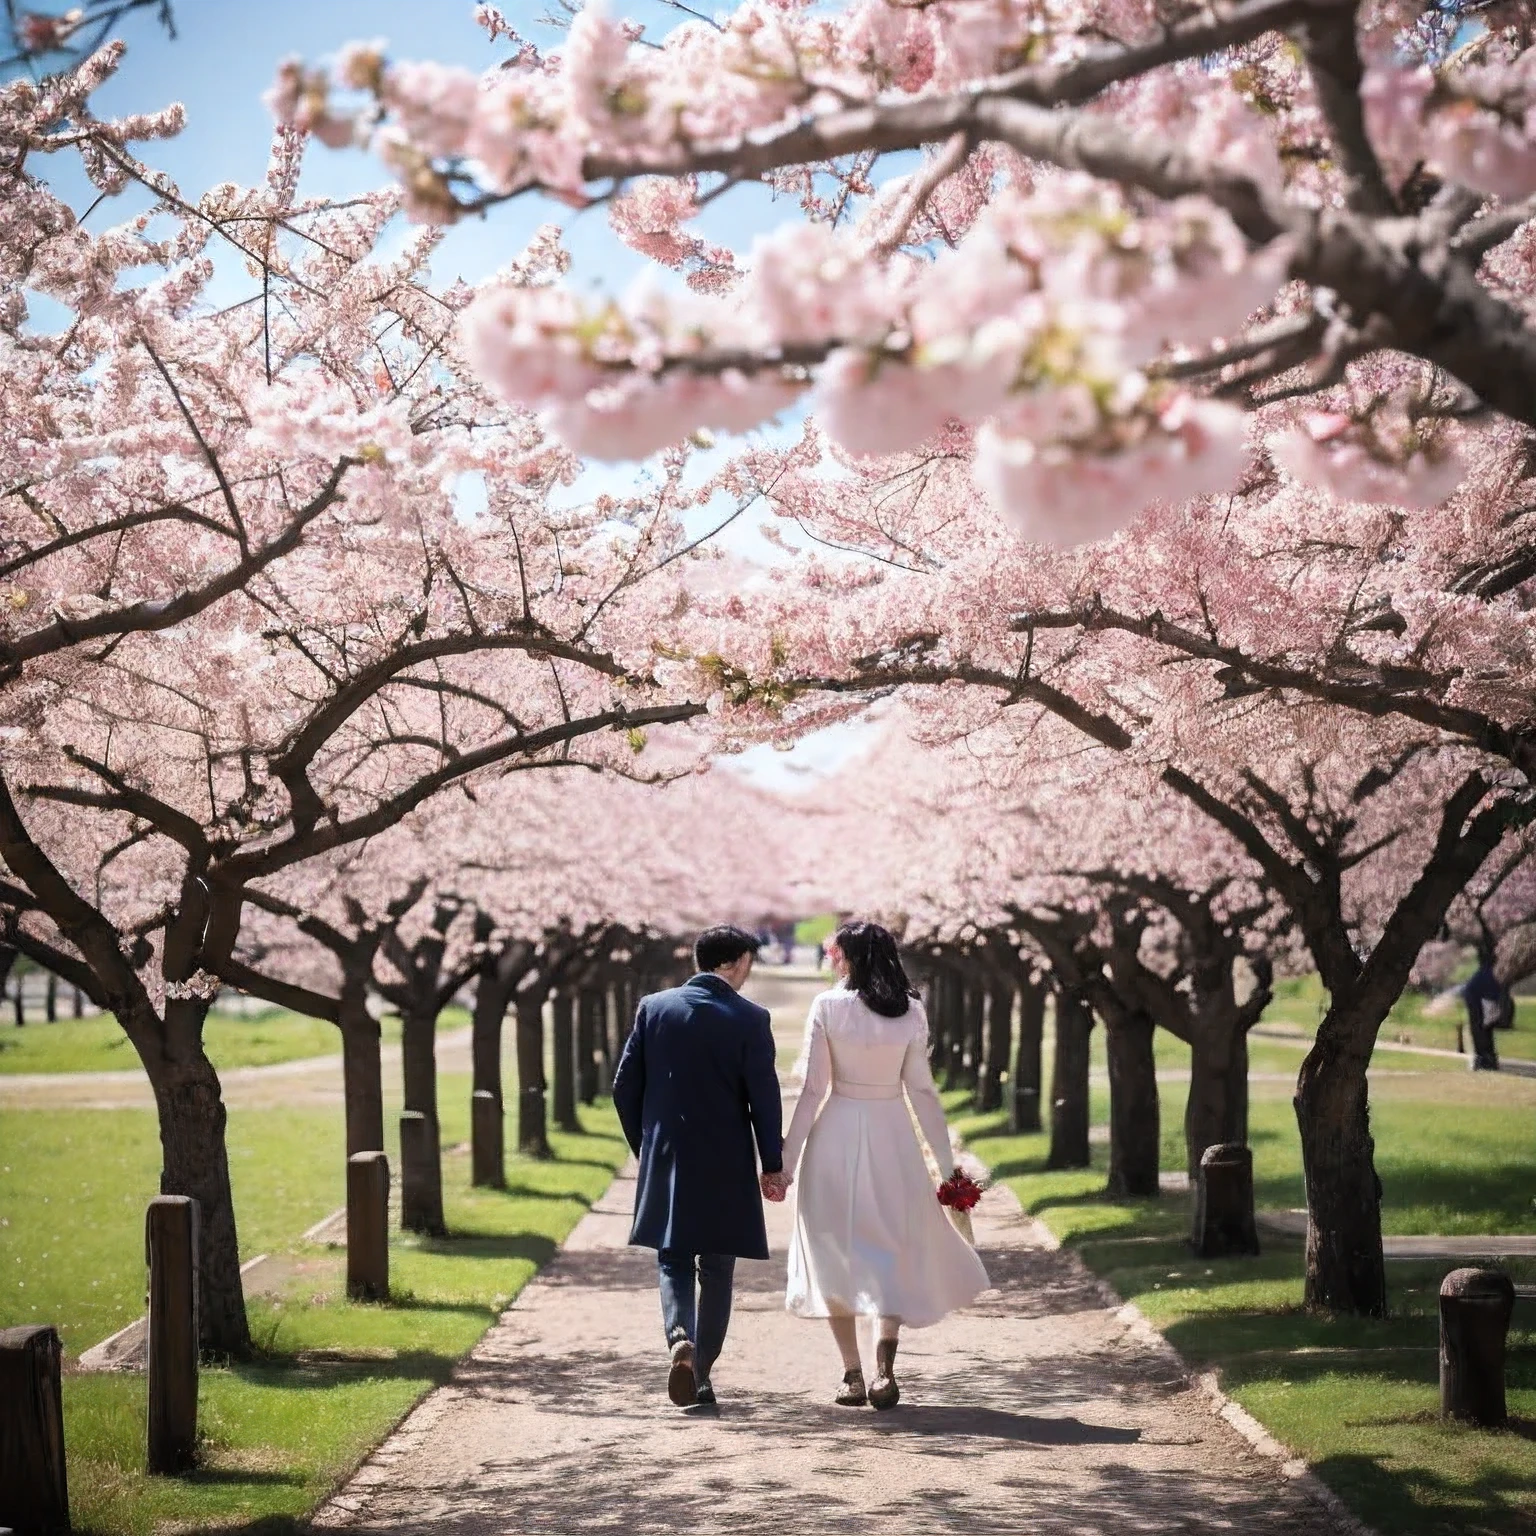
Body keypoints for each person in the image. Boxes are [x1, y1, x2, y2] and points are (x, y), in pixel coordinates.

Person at [781, 920, 989, 1410]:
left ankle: (851, 1374)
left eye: (837, 953)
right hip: (892, 1134)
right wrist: (946, 1166)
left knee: (833, 1249)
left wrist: (785, 1160)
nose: (832, 959)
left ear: (848, 957)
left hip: (836, 1133)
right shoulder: (911, 1010)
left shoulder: (828, 1006)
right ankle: (884, 1370)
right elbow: (922, 1090)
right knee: (892, 1247)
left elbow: (813, 1090)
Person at [612, 924, 788, 1409]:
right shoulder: (750, 1018)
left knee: (671, 1255)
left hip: (667, 1154)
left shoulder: (654, 1008)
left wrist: (646, 1149)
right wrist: (771, 1162)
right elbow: (764, 1101)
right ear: (733, 962)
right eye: (748, 961)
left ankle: (678, 1338)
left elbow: (624, 1088)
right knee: (716, 1267)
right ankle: (703, 1375)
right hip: (726, 1157)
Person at [1463, 948, 1505, 1071]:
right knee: (1484, 1032)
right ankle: (1486, 1059)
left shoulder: (1483, 974)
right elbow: (1493, 993)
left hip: (1477, 1004)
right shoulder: (1488, 974)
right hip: (1481, 1004)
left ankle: (1484, 1058)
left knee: (1480, 1032)